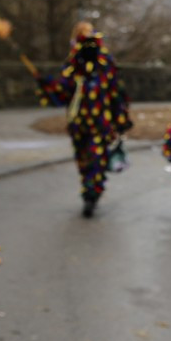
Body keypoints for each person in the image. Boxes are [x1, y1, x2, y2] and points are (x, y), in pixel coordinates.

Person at [36, 21, 132, 218]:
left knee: (97, 158)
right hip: (79, 123)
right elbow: (64, 90)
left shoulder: (105, 61)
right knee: (83, 160)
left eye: (90, 34)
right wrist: (47, 83)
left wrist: (120, 119)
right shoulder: (74, 63)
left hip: (100, 123)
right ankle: (88, 189)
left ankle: (92, 194)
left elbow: (115, 92)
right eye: (83, 34)